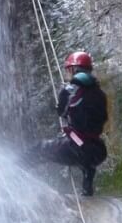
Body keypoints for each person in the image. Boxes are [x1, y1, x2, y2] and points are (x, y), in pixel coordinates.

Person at [29, 51, 108, 196]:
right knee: (86, 162)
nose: (67, 73)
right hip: (98, 150)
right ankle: (87, 189)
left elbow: (62, 112)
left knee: (39, 149)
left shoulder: (70, 89)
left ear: (73, 69)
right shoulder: (100, 93)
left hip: (77, 146)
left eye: (68, 70)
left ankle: (11, 174)